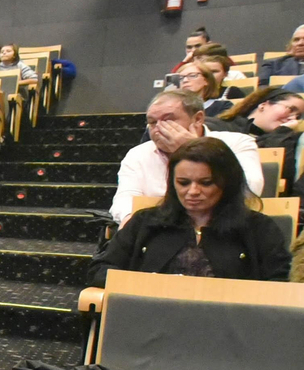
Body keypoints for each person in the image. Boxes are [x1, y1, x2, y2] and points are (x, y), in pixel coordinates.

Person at [89, 138, 289, 286]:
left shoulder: (258, 228)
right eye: (183, 183)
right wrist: (143, 284)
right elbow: (101, 270)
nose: (193, 192)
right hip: (152, 321)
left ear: (227, 183)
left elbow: (279, 283)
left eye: (206, 183)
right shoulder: (146, 221)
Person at [109, 89, 264, 226]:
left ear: (198, 119)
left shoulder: (238, 143)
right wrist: (131, 221)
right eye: (152, 122)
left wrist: (194, 150)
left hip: (221, 227)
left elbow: (250, 189)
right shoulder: (139, 154)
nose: (159, 129)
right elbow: (124, 199)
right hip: (157, 229)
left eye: (168, 120)